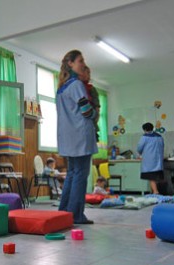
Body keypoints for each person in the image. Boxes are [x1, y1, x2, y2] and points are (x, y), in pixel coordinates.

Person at [56, 49, 98, 224]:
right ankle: (76, 215)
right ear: (71, 63)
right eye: (80, 60)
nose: (83, 63)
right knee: (80, 174)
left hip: (68, 137)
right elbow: (86, 110)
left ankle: (64, 211)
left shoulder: (61, 89)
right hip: (80, 135)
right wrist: (95, 113)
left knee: (72, 174)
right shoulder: (76, 85)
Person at [137, 122, 164, 194]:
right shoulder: (159, 136)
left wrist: (140, 153)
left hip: (149, 161)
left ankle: (155, 192)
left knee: (151, 177)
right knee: (156, 177)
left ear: (145, 129)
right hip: (158, 160)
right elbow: (162, 146)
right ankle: (155, 191)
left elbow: (139, 148)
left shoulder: (145, 137)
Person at [79, 66, 100, 141]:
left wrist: (95, 120)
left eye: (89, 73)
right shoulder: (77, 87)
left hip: (90, 120)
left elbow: (97, 108)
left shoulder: (91, 89)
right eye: (87, 73)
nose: (89, 76)